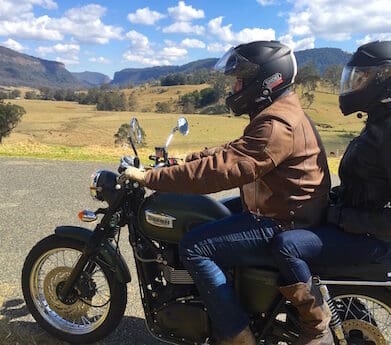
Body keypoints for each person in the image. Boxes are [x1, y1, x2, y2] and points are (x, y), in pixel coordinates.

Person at [122, 41, 331, 345]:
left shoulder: (277, 124)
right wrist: (187, 160)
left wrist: (153, 178)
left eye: (240, 80)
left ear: (267, 80)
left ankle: (236, 333)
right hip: (281, 205)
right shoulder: (277, 111)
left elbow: (221, 171)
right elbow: (233, 152)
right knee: (205, 216)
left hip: (283, 217)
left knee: (194, 245)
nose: (235, 87)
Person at [271, 40, 391, 345]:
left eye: (361, 77)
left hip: (371, 239)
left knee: (287, 245)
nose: (353, 84)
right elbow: (366, 185)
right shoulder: (379, 122)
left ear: (384, 78)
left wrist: (338, 215)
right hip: (358, 228)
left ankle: (315, 329)